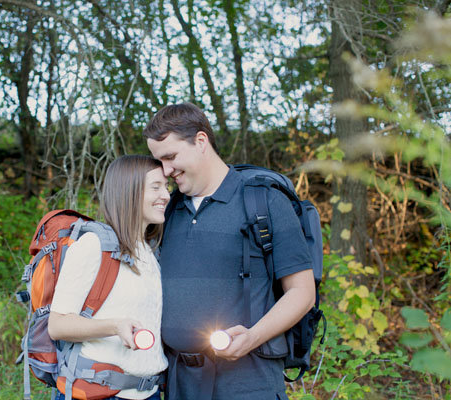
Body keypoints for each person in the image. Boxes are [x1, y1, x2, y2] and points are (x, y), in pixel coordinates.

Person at [143, 102, 316, 400]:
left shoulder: (264, 201)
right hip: (177, 382)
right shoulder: (167, 209)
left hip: (249, 383)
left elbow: (302, 292)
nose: (166, 170)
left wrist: (253, 337)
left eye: (171, 157)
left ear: (200, 142)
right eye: (160, 161)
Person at [47, 155, 170, 400]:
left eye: (167, 187)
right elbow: (58, 325)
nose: (166, 195)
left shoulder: (150, 251)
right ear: (129, 191)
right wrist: (114, 326)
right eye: (156, 187)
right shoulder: (94, 245)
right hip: (100, 393)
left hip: (149, 393)